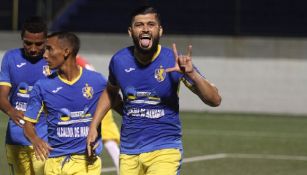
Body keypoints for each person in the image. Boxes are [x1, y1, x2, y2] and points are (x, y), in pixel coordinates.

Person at [87, 5, 222, 175]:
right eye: (139, 25)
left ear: (160, 31)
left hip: (164, 149)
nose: (145, 29)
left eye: (151, 24)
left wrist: (193, 74)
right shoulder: (119, 61)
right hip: (129, 151)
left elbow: (215, 100)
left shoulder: (174, 61)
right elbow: (110, 93)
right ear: (130, 31)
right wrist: (94, 126)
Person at [23, 32, 106, 175]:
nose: (44, 55)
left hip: (86, 162)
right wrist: (35, 139)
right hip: (54, 163)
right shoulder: (42, 86)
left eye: (49, 49)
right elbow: (28, 124)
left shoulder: (97, 81)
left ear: (66, 51)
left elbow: (118, 104)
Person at [0, 16, 48, 175]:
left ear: (46, 41)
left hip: (45, 140)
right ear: (22, 39)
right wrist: (11, 111)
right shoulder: (10, 58)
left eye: (39, 44)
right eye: (28, 43)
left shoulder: (54, 60)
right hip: (16, 140)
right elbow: (1, 96)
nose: (33, 48)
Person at [76, 55, 120, 174]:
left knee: (108, 137)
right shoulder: (76, 60)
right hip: (95, 100)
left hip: (95, 101)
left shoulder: (75, 61)